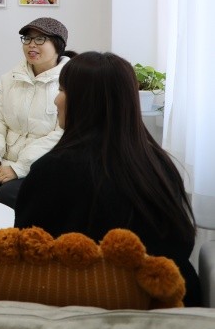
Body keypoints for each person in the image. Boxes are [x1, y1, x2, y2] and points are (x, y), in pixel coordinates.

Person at [15, 52, 201, 306]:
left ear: (85, 102)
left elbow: (28, 254)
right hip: (171, 304)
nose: (56, 100)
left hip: (85, 311)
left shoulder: (53, 170)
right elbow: (181, 244)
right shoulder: (158, 164)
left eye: (62, 90)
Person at [0, 17, 74, 207]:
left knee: (8, 194)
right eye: (27, 39)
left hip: (42, 166)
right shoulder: (9, 79)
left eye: (40, 39)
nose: (31, 45)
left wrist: (19, 168)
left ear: (58, 45)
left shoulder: (70, 82)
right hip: (2, 162)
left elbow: (62, 134)